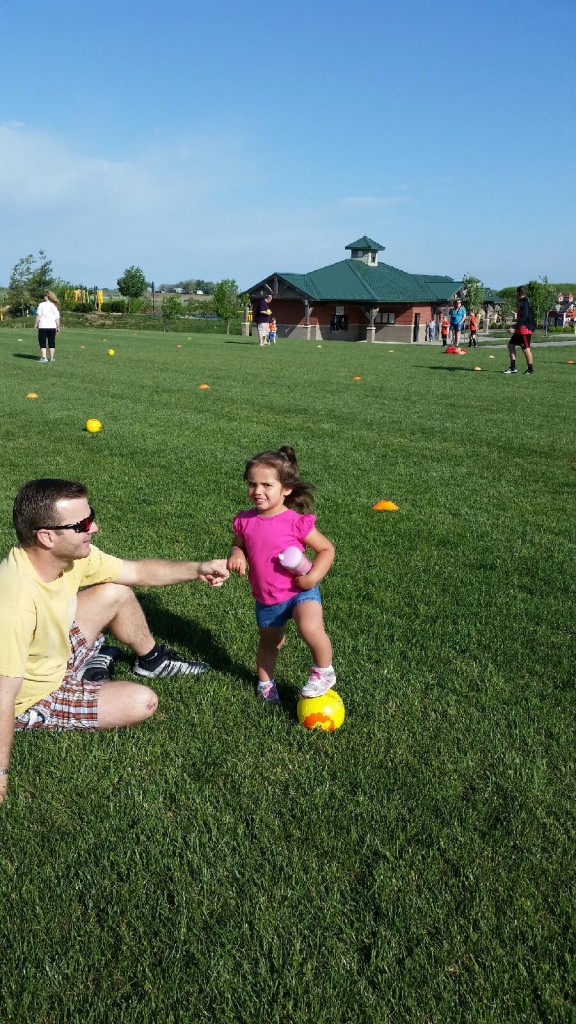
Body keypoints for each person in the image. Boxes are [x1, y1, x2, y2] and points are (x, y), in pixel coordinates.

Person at [0, 478, 229, 804]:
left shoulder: (72, 558)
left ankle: (150, 660)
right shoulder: (13, 601)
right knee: (142, 702)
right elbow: (3, 694)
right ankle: (88, 665)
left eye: (91, 516)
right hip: (32, 695)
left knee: (116, 591)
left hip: (53, 651)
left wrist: (198, 569)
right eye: (83, 524)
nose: (95, 528)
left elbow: (135, 572)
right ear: (47, 537)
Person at [227, 447, 335, 706]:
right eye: (252, 484)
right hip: (267, 597)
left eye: (267, 484)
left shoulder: (295, 522)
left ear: (286, 489)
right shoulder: (245, 521)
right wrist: (237, 554)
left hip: (300, 590)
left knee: (309, 627)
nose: (257, 491)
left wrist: (312, 579)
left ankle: (324, 671)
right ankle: (266, 683)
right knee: (270, 642)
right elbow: (237, 544)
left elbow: (326, 549)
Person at [504, 286, 535, 375]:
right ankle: (513, 367)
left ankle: (530, 369)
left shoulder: (524, 302)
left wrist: (514, 327)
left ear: (518, 293)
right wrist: (515, 325)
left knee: (526, 349)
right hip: (520, 329)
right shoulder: (522, 302)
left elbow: (524, 317)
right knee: (511, 345)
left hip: (524, 329)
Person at [34, 291, 61, 363]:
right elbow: (57, 318)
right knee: (51, 341)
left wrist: (36, 324)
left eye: (44, 295)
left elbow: (38, 316)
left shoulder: (41, 305)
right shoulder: (54, 305)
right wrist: (58, 327)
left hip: (43, 326)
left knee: (42, 342)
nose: (43, 297)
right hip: (52, 326)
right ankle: (52, 358)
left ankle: (44, 358)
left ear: (47, 296)